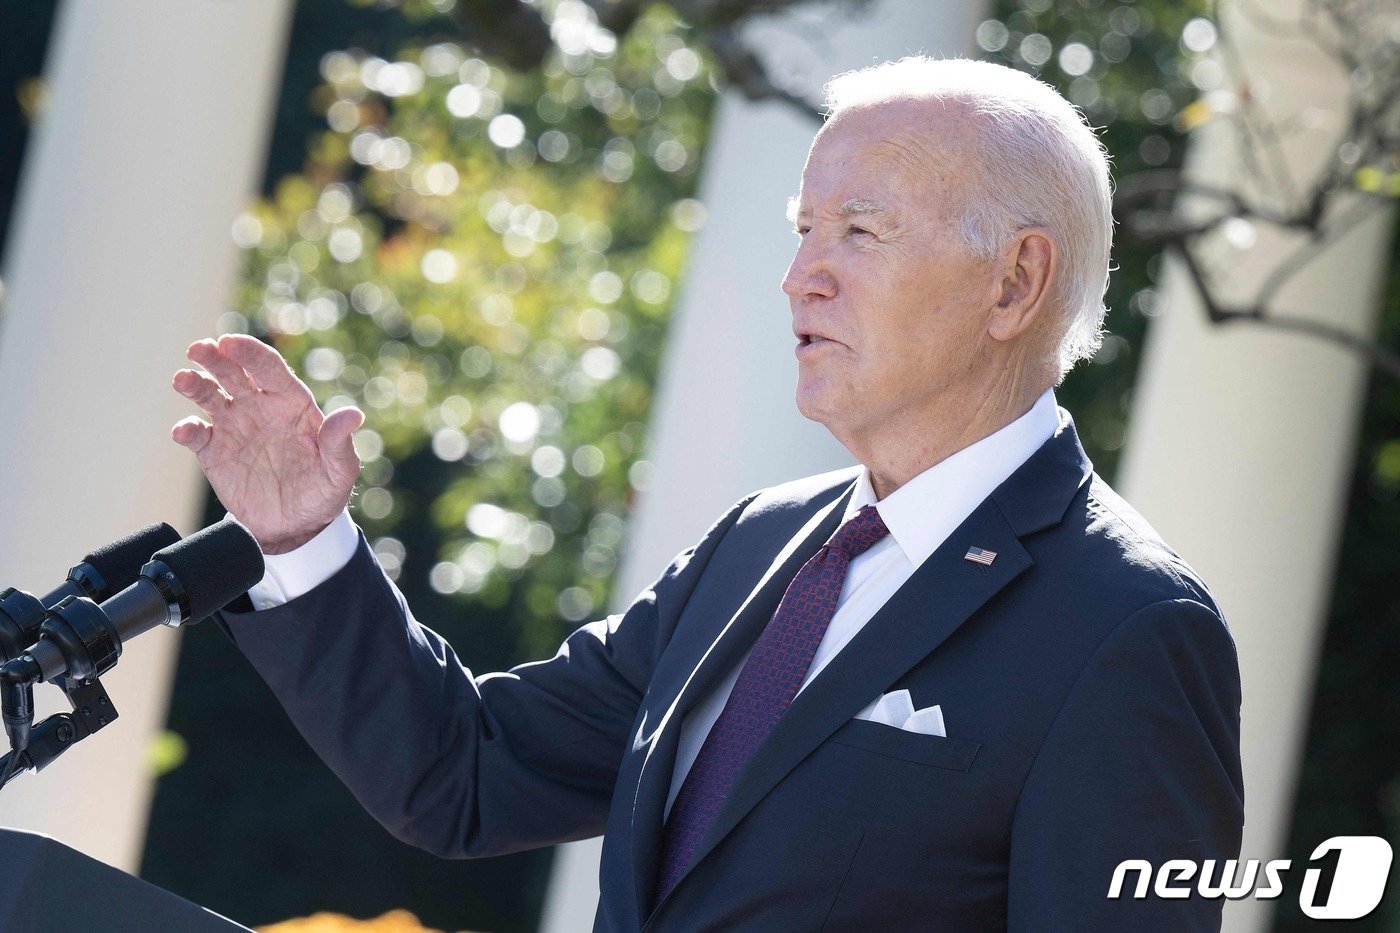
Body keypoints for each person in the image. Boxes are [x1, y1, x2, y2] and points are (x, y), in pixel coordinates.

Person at [171, 57, 1243, 931]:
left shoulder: (1128, 629)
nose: (801, 275)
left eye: (859, 232)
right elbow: (465, 777)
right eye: (802, 229)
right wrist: (304, 540)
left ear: (1013, 282)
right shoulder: (760, 544)